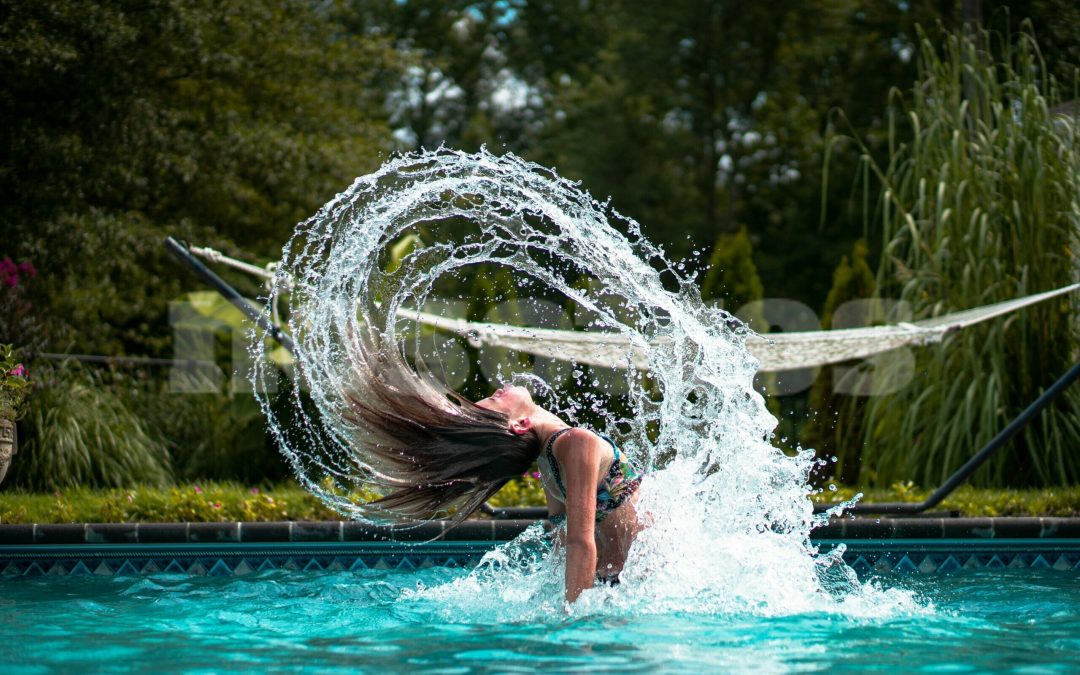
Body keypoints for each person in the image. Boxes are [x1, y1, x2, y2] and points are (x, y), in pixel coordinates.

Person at [346, 360, 644, 603]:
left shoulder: (549, 460)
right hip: (639, 583)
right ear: (519, 425)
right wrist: (575, 627)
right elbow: (578, 541)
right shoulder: (576, 442)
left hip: (614, 586)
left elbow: (560, 540)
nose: (497, 391)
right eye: (494, 400)